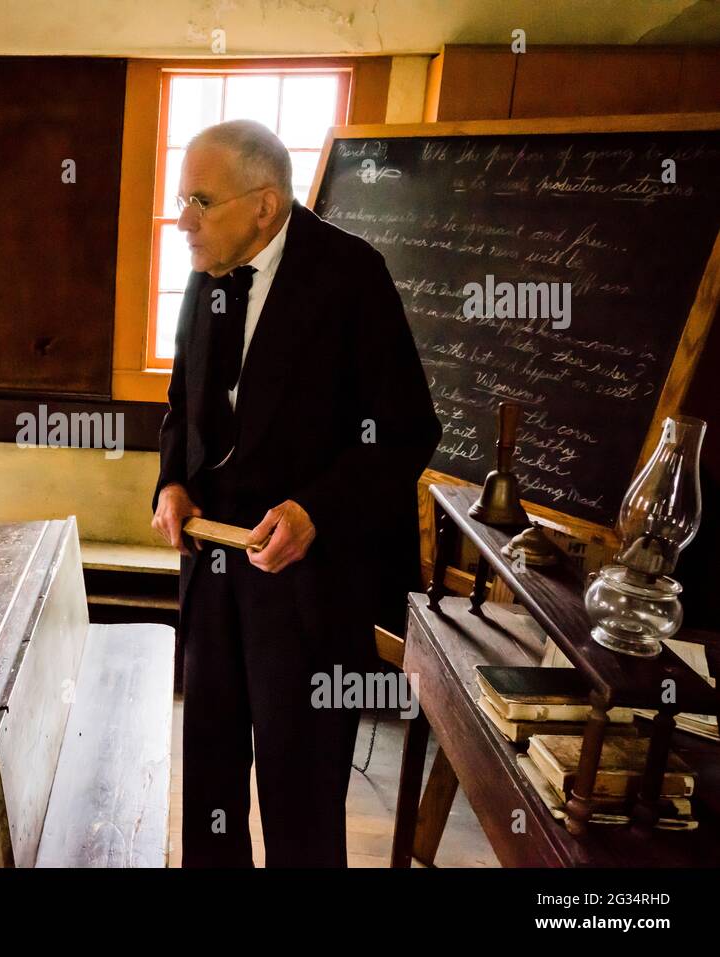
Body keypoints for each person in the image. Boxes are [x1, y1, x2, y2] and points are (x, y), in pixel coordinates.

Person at [150, 119, 442, 867]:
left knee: (301, 794)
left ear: (265, 206)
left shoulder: (352, 277)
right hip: (211, 573)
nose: (180, 219)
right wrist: (173, 481)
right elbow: (182, 404)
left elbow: (408, 431)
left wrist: (318, 512)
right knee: (210, 776)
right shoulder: (206, 266)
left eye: (199, 201)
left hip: (310, 589)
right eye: (182, 198)